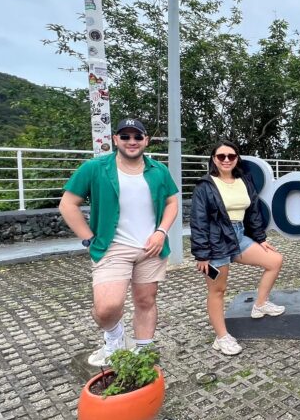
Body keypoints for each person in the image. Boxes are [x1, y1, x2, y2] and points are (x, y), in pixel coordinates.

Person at [59, 118, 180, 367]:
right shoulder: (95, 168)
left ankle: (143, 352)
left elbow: (171, 202)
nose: (131, 141)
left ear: (146, 140)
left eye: (137, 136)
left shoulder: (158, 169)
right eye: (125, 136)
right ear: (116, 140)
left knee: (146, 301)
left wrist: (161, 232)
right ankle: (114, 338)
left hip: (151, 246)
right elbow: (68, 204)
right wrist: (88, 239)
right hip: (113, 247)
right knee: (107, 307)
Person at [190, 140, 285, 356]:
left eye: (231, 156)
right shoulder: (205, 185)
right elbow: (198, 221)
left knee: (274, 260)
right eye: (221, 156)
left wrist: (260, 239)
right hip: (216, 240)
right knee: (218, 290)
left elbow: (252, 212)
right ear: (214, 159)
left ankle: (260, 304)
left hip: (240, 234)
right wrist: (202, 254)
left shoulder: (243, 180)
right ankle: (221, 337)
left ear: (236, 159)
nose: (226, 160)